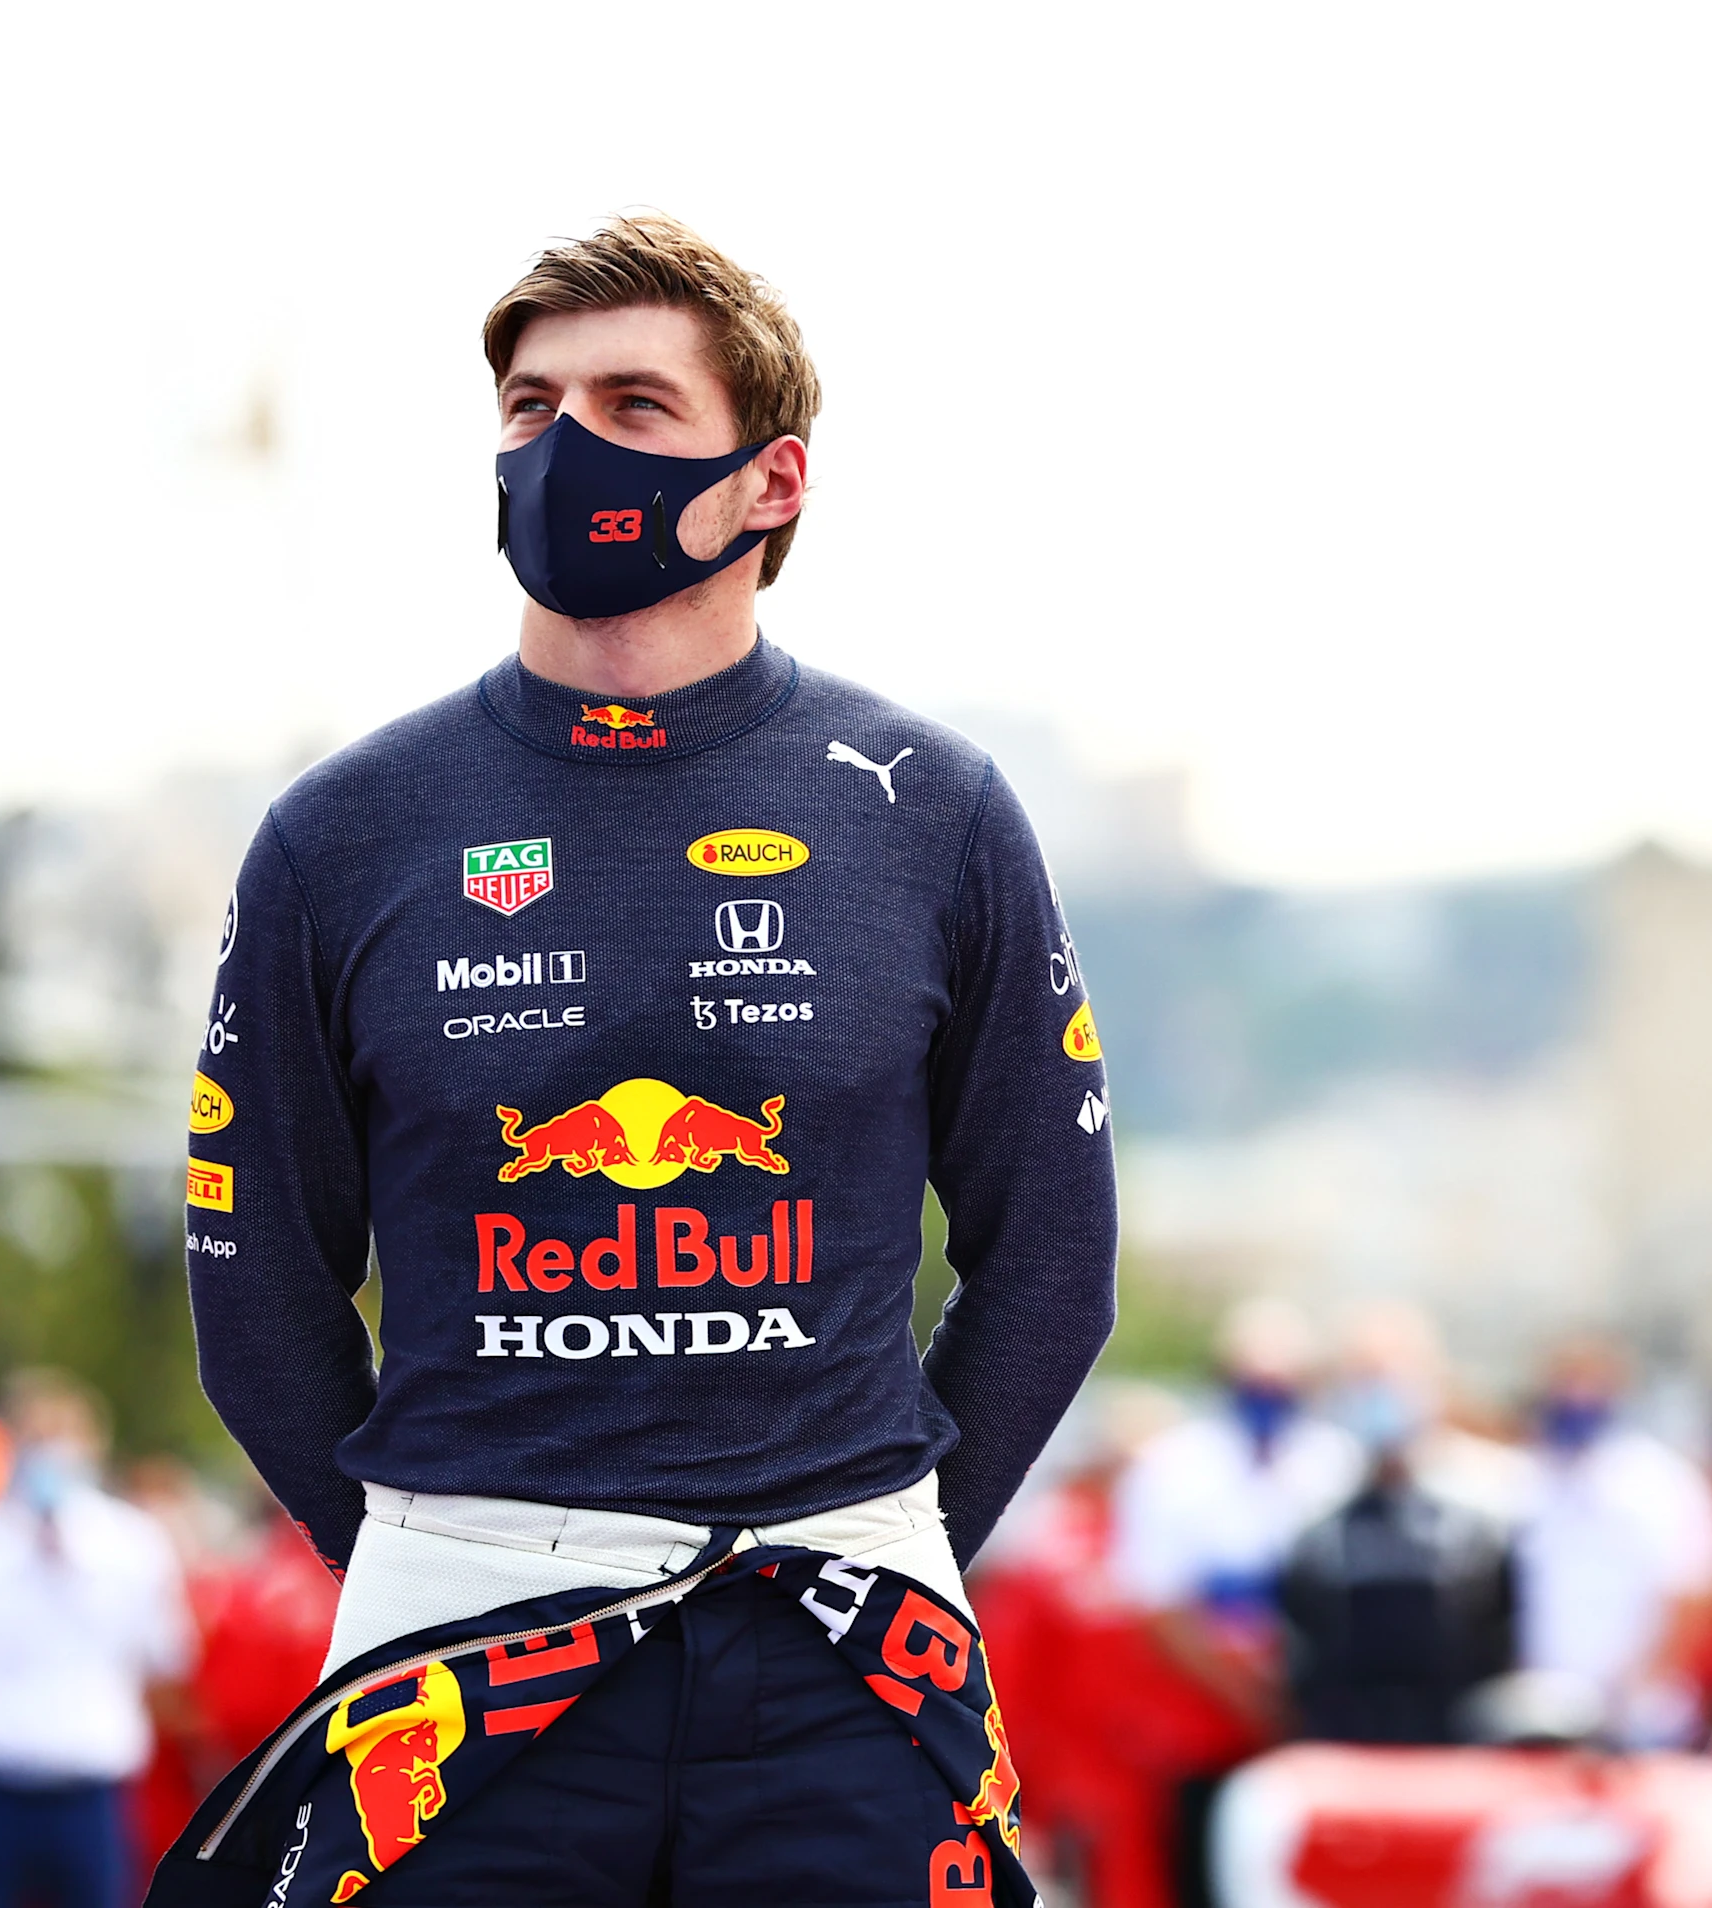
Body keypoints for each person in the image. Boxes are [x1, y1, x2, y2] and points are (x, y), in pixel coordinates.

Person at [164, 214, 1116, 1904]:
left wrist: (884, 1526)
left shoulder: (934, 810)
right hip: (460, 1639)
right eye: (531, 408)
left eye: (633, 404)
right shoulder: (343, 831)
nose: (564, 445)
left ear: (771, 481)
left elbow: (1051, 1251)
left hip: (844, 1632)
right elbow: (255, 1289)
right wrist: (435, 1543)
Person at [1108, 1299, 1361, 1905]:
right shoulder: (1175, 1466)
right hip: (1204, 1731)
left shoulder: (1337, 1462)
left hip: (1317, 1732)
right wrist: (1253, 1697)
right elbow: (1159, 1607)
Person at [0, 1371, 192, 1908]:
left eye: (61, 1438)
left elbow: (165, 1663)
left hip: (89, 1791)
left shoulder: (133, 1547)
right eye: (35, 1438)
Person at [1276, 1307, 1517, 1744]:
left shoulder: (1490, 1510)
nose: (1380, 1396)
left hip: (1457, 1755)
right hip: (1344, 1753)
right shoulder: (1315, 1523)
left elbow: (1501, 1648)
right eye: (1364, 1380)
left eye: (1393, 1379)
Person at [1507, 1338, 1712, 1749]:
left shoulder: (1660, 1479)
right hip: (1544, 1719)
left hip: (1642, 1725)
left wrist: (1633, 1689)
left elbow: (1696, 1593)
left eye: (1588, 1383)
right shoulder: (1532, 1477)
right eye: (1566, 1382)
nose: (1576, 1396)